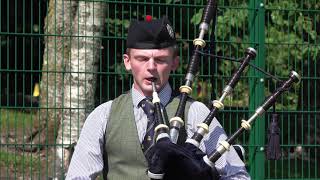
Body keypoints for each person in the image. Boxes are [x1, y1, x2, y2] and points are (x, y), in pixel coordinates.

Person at [66, 16, 250, 180]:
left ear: (174, 63)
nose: (151, 67)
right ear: (127, 62)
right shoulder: (103, 115)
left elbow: (238, 175)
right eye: (142, 59)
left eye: (160, 60)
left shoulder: (195, 112)